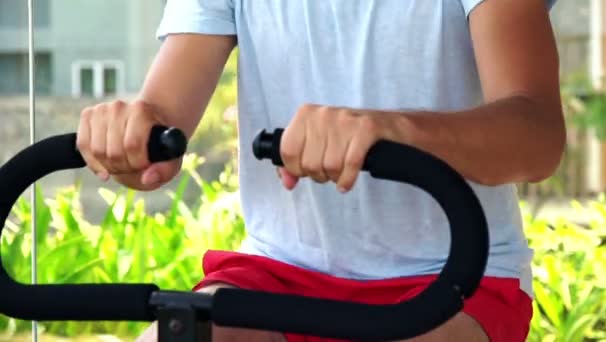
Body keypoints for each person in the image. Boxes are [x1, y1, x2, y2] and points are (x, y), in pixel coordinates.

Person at [76, 0, 565, 341]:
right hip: (279, 270)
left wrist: (390, 128)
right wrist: (127, 136)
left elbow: (537, 137)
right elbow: (158, 139)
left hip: (454, 276)